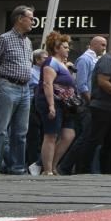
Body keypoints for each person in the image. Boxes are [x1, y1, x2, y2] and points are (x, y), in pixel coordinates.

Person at [0, 5, 35, 175]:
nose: (33, 22)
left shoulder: (28, 42)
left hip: (25, 88)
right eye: (31, 18)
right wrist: (2, 83)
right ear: (20, 19)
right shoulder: (4, 39)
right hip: (7, 86)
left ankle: (17, 167)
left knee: (21, 132)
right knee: (0, 129)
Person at [74, 33, 111, 174]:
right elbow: (103, 82)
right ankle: (83, 169)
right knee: (94, 139)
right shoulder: (107, 60)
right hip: (103, 108)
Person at [57, 35, 107, 175]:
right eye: (102, 45)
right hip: (86, 104)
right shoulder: (85, 60)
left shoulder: (95, 60)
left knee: (87, 137)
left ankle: (76, 167)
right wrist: (91, 101)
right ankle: (65, 166)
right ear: (93, 44)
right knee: (84, 137)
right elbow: (82, 84)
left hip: (92, 103)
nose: (104, 48)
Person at [34, 32, 76, 176]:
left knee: (69, 134)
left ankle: (52, 165)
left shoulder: (63, 65)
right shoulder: (51, 62)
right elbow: (47, 83)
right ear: (57, 48)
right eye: (65, 47)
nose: (68, 49)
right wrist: (51, 105)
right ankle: (47, 169)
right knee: (51, 134)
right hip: (52, 101)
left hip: (66, 104)